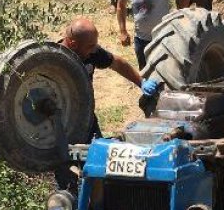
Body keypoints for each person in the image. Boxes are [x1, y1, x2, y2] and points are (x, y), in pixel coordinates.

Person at [55, 17, 159, 192]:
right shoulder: (53, 60)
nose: (94, 50)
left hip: (86, 119)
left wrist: (141, 82)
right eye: (90, 46)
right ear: (72, 44)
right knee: (66, 177)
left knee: (99, 164)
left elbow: (117, 63)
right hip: (58, 126)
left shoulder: (90, 51)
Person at [116, 0, 190, 69]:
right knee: (145, 72)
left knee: (167, 70)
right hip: (141, 38)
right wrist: (123, 31)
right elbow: (121, 6)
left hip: (164, 37)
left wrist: (179, 15)